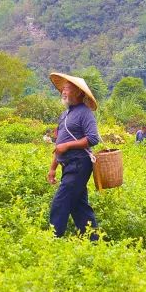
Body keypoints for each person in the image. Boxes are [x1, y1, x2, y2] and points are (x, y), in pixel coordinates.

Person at [47, 72, 101, 241]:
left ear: (78, 92)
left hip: (79, 164)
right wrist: (53, 168)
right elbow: (59, 145)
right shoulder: (64, 115)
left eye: (68, 88)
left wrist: (68, 145)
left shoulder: (85, 113)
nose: (64, 91)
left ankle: (53, 240)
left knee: (60, 202)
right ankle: (93, 242)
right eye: (63, 87)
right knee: (79, 207)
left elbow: (93, 138)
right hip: (67, 166)